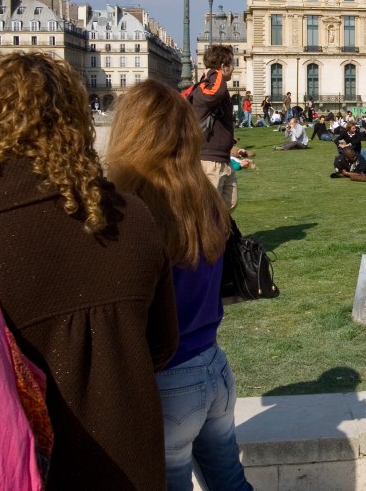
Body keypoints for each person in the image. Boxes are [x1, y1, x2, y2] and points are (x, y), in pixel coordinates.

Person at [0, 52, 179, 489]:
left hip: (19, 466)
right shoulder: (134, 217)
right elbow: (162, 344)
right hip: (132, 460)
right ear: (74, 120)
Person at [107, 81, 253, 491]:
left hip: (169, 377)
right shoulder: (204, 197)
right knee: (230, 482)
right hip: (213, 365)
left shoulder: (131, 207)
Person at [190, 44, 237, 212]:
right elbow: (213, 94)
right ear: (224, 67)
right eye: (232, 64)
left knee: (229, 204)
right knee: (209, 211)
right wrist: (214, 72)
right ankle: (206, 238)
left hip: (223, 159)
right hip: (209, 161)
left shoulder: (216, 87)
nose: (234, 68)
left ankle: (221, 237)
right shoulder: (207, 89)